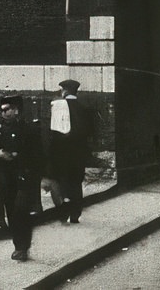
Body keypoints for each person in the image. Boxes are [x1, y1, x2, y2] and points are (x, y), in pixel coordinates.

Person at [0, 95, 41, 261]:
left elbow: (34, 153)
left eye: (7, 109)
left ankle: (22, 247)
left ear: (16, 110)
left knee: (21, 210)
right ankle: (19, 245)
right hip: (4, 176)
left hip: (21, 175)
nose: (3, 113)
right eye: (1, 110)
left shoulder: (27, 129)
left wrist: (15, 156)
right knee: (11, 211)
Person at [44, 77, 94, 223]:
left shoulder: (58, 106)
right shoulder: (85, 108)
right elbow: (90, 132)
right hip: (78, 154)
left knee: (62, 181)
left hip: (61, 153)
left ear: (64, 91)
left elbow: (53, 132)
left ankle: (63, 211)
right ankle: (75, 214)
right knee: (76, 182)